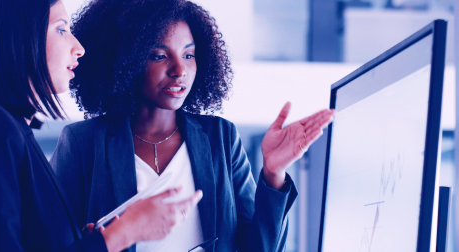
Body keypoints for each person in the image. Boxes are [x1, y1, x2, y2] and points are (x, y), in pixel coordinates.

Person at [50, 0, 335, 251]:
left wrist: (274, 173)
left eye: (188, 55)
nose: (179, 70)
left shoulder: (221, 138)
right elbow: (49, 243)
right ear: (126, 59)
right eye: (160, 56)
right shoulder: (83, 142)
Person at [0, 0, 202, 251]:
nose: (78, 47)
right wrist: (122, 233)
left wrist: (83, 241)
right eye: (61, 30)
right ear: (18, 37)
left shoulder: (6, 128)